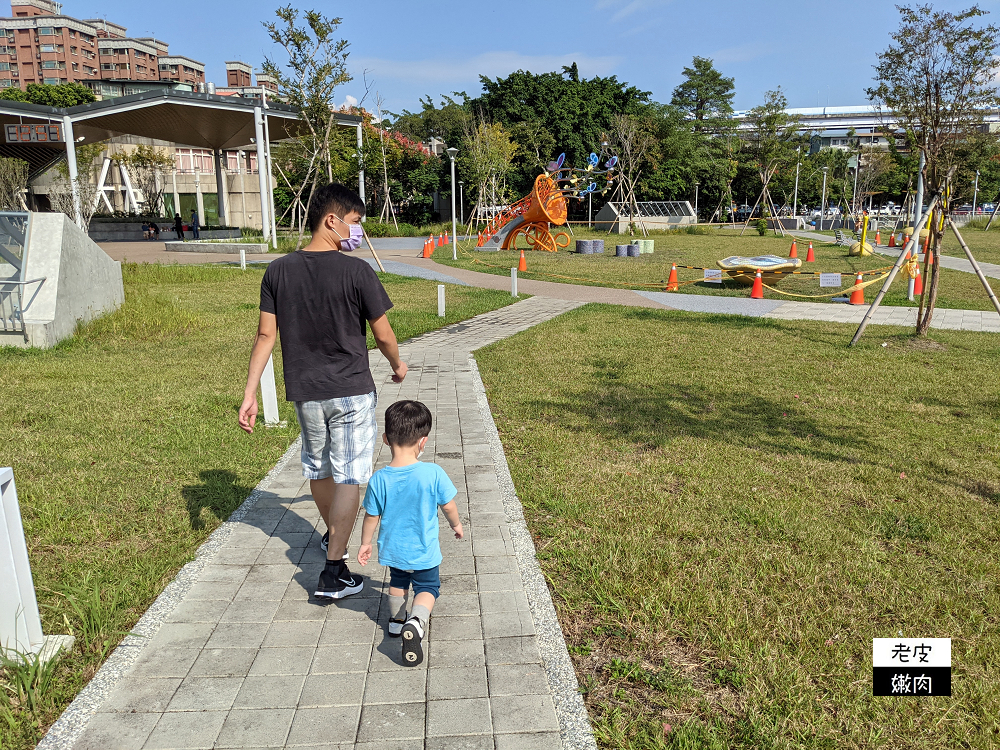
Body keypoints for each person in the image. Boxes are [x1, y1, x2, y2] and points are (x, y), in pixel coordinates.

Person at [238, 183, 407, 600]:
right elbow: (383, 334)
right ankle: (334, 570)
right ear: (331, 220)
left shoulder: (277, 270)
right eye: (354, 223)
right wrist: (397, 364)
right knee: (351, 475)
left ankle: (332, 534)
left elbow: (265, 336)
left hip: (305, 392)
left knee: (319, 467)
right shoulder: (356, 272)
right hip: (350, 389)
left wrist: (249, 394)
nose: (357, 232)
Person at [357, 400, 462, 666]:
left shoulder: (379, 478)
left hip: (394, 548)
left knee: (398, 581)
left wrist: (365, 543)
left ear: (385, 439)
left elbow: (371, 516)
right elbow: (448, 506)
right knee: (427, 586)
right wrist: (455, 525)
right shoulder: (433, 473)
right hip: (424, 549)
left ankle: (395, 622)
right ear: (423, 442)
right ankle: (416, 621)